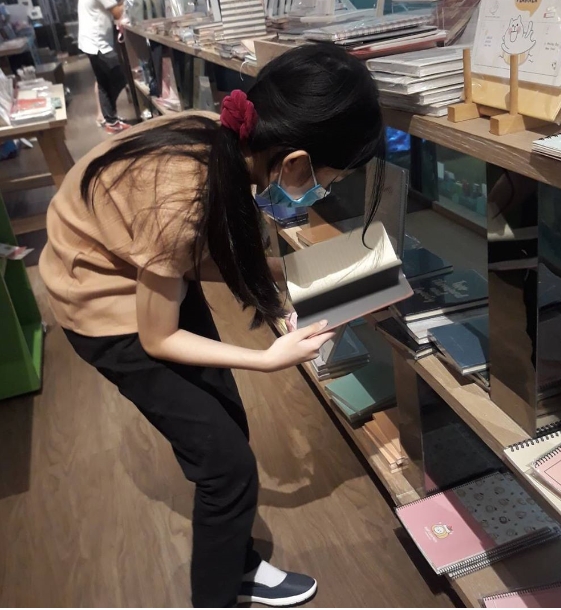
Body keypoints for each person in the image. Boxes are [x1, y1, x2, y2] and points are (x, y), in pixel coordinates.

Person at [39, 44, 385, 608]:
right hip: (100, 301)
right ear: (295, 162)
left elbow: (192, 255)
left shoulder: (220, 135)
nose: (324, 190)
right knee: (226, 467)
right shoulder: (182, 195)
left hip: (143, 270)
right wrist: (267, 358)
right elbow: (157, 336)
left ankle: (236, 562)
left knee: (225, 420)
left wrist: (293, 271)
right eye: (330, 178)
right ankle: (217, 596)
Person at [78, 0, 130, 134]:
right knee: (120, 78)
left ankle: (111, 120)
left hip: (89, 41)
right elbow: (117, 13)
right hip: (98, 44)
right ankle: (110, 116)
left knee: (103, 82)